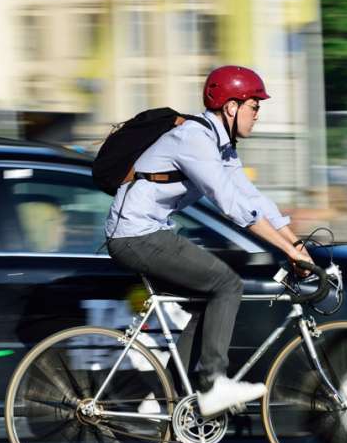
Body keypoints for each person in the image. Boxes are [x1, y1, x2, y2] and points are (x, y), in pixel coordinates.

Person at [104, 65, 312, 416]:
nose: (257, 115)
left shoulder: (221, 145)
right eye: (255, 106)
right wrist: (285, 250)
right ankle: (212, 384)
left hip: (150, 231)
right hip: (136, 235)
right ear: (231, 107)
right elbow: (231, 205)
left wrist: (296, 243)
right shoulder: (195, 140)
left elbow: (252, 197)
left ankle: (169, 397)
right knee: (227, 284)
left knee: (208, 298)